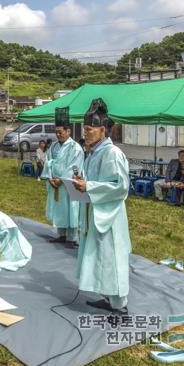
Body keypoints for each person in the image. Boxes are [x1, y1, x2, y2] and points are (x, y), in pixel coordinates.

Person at [73, 98, 131, 316]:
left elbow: (120, 186)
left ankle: (120, 306)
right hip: (96, 211)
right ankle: (108, 298)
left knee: (111, 259)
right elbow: (97, 180)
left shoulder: (112, 153)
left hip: (110, 215)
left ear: (102, 130)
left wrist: (89, 185)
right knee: (101, 258)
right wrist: (81, 180)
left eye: (89, 129)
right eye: (84, 129)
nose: (85, 133)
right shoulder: (94, 152)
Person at [40, 107, 84, 249]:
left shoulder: (75, 148)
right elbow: (48, 161)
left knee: (71, 208)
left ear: (68, 131)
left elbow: (74, 166)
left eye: (61, 132)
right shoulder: (53, 146)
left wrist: (61, 179)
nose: (58, 135)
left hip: (68, 184)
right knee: (60, 209)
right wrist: (51, 178)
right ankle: (62, 234)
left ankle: (72, 237)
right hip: (56, 183)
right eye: (56, 132)